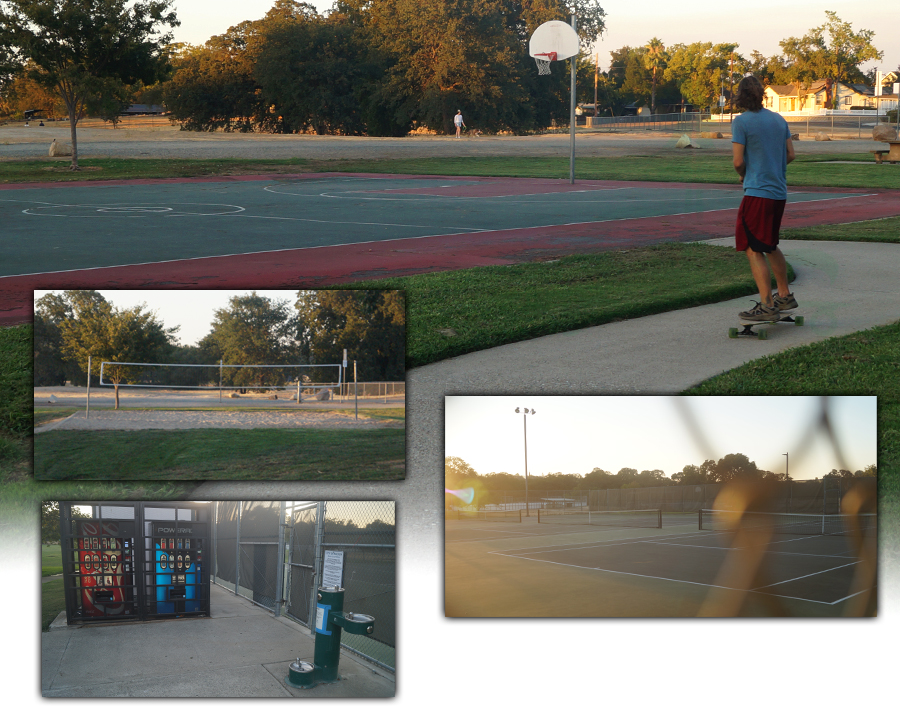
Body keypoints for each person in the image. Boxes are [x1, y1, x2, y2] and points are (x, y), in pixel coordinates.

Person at [731, 75, 798, 321]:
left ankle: (767, 304)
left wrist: (745, 174)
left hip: (757, 193)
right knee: (769, 244)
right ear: (762, 94)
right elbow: (790, 154)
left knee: (752, 247)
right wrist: (773, 168)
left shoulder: (742, 122)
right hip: (778, 193)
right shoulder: (779, 120)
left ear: (740, 96)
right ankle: (785, 295)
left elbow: (738, 162)